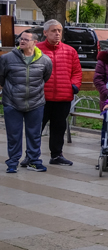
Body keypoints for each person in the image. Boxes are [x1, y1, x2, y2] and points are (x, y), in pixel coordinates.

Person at [1, 30, 52, 173]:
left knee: (35, 135)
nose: (21, 41)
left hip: (36, 103)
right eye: (20, 39)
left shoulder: (45, 60)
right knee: (14, 135)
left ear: (35, 42)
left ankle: (34, 161)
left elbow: (45, 77)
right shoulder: (7, 58)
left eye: (25, 39)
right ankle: (12, 162)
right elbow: (1, 77)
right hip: (12, 102)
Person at [36, 20, 81, 167]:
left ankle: (56, 155)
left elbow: (77, 71)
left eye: (59, 31)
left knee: (58, 127)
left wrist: (73, 86)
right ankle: (31, 155)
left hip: (63, 97)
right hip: (41, 97)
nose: (57, 34)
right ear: (45, 33)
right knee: (36, 128)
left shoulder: (70, 51)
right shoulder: (36, 50)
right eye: (53, 31)